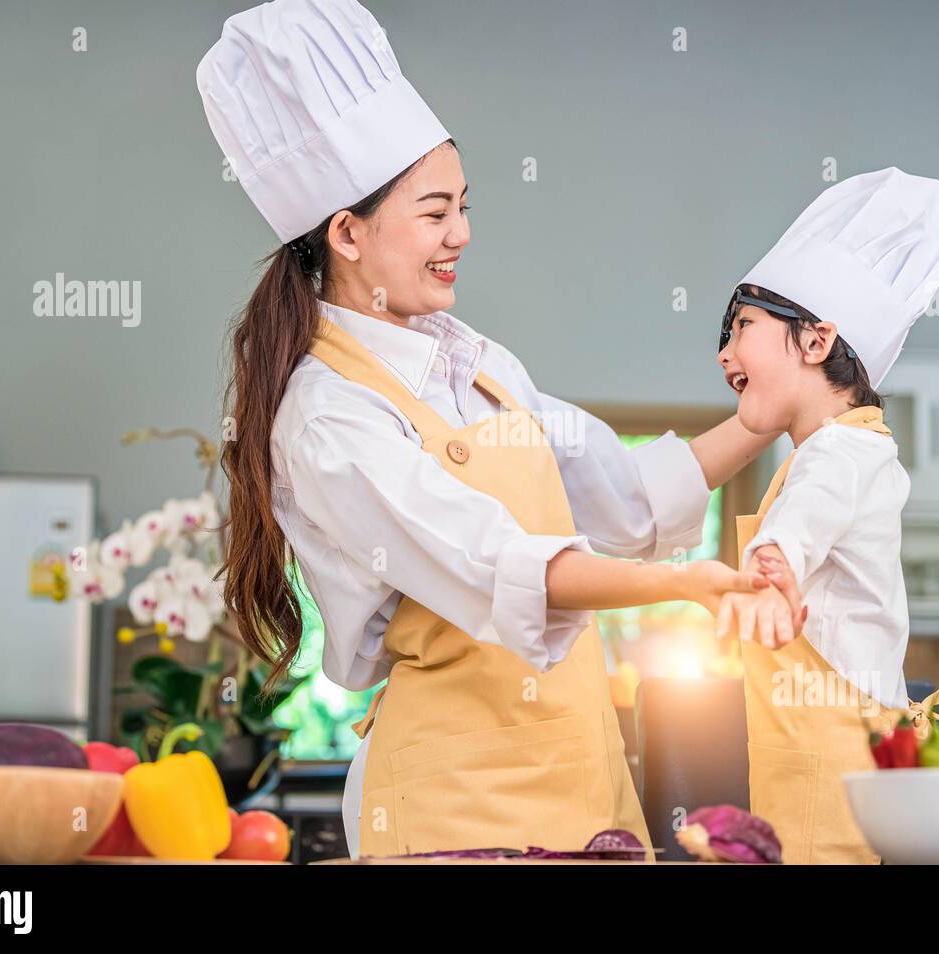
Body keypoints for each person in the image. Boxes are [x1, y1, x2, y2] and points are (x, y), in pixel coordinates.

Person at [197, 0, 787, 859]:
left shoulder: (481, 365)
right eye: (435, 213)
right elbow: (504, 566)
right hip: (451, 807)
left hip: (581, 785)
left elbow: (620, 502)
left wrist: (758, 420)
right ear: (348, 232)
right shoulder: (328, 415)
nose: (462, 235)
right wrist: (693, 585)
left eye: (464, 206)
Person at [715, 167, 939, 863]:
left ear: (817, 342)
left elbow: (801, 526)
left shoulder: (837, 456)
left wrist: (773, 566)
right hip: (825, 765)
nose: (724, 352)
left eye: (743, 327)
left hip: (826, 773)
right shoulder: (851, 448)